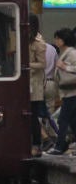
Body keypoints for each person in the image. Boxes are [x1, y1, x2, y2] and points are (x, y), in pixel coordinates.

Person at [48, 28, 76, 155]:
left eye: (58, 38)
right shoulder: (65, 53)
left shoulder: (71, 53)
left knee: (63, 119)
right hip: (68, 91)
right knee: (72, 119)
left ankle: (59, 146)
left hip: (72, 91)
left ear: (63, 40)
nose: (56, 40)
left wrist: (65, 67)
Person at [28, 15, 49, 156]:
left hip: (34, 84)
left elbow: (42, 64)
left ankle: (37, 143)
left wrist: (26, 65)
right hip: (23, 82)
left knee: (33, 115)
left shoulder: (39, 42)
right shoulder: (21, 39)